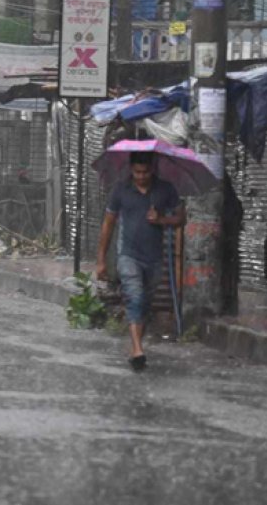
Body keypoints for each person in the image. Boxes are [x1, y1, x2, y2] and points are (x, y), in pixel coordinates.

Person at [96, 151, 185, 371]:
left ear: (152, 169)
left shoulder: (165, 190)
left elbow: (181, 218)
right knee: (134, 297)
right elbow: (108, 225)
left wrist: (162, 219)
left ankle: (136, 344)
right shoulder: (121, 190)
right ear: (131, 169)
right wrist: (101, 261)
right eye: (137, 172)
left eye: (145, 172)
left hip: (154, 258)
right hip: (128, 255)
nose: (141, 176)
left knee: (145, 304)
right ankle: (137, 349)